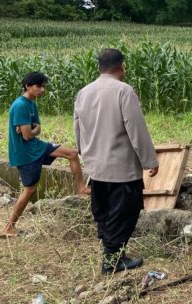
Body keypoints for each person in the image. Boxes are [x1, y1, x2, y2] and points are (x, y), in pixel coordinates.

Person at [74, 48, 159, 274]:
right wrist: (150, 160)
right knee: (123, 214)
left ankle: (114, 254)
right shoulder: (123, 91)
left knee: (104, 212)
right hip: (121, 168)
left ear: (98, 68)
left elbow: (78, 129)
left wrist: (86, 153)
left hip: (96, 168)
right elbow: (136, 129)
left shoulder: (84, 92)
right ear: (121, 66)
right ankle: (112, 261)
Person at [0, 72, 90, 238]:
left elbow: (36, 129)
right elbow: (27, 135)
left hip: (37, 146)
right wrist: (32, 130)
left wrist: (32, 130)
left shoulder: (32, 103)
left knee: (72, 153)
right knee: (30, 189)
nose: (42, 90)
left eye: (44, 87)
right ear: (28, 86)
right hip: (26, 153)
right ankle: (8, 227)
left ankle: (81, 188)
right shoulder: (20, 106)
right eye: (39, 86)